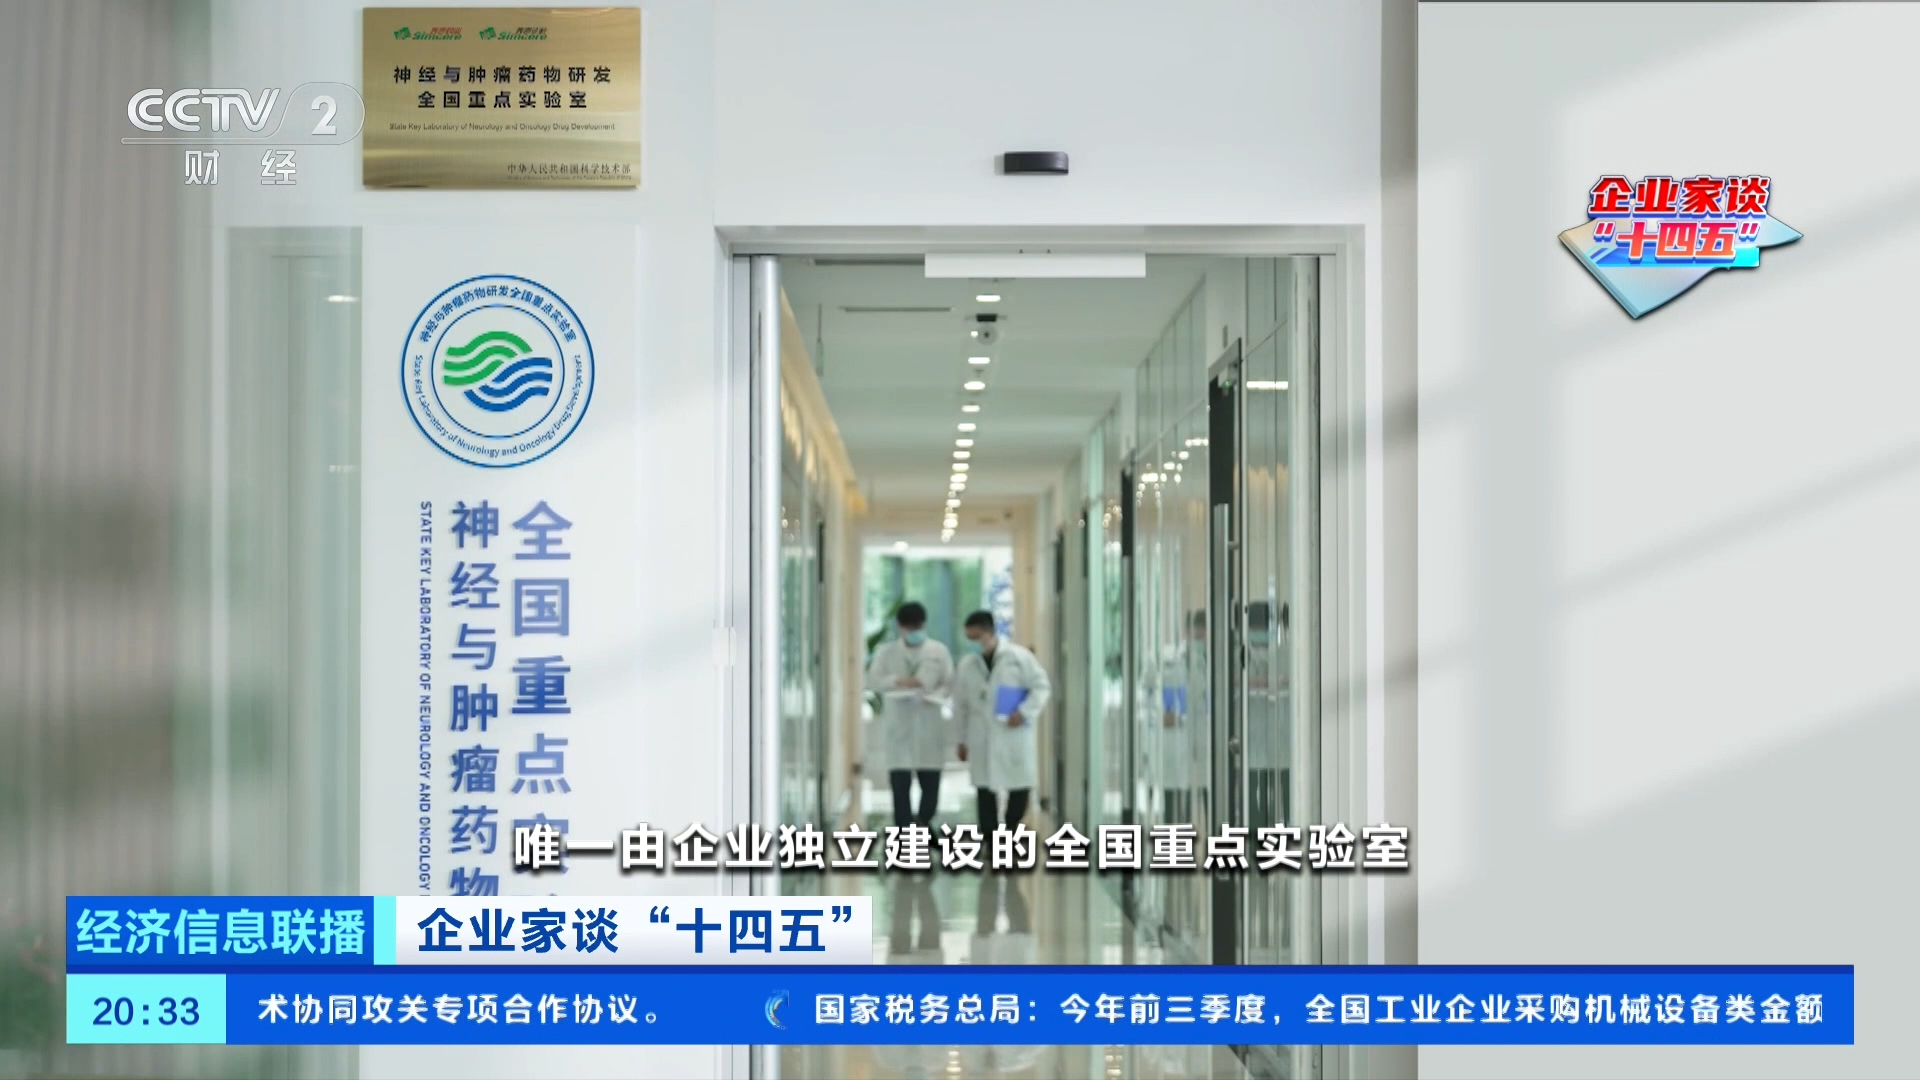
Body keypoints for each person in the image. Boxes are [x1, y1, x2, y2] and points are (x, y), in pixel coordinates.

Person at [954, 610, 1052, 835]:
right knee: (984, 790)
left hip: (1012, 730)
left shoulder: (1018, 657)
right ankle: (990, 839)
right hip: (980, 733)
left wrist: (1024, 712)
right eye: (968, 639)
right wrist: (961, 740)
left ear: (989, 633)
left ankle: (1010, 828)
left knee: (1020, 787)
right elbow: (961, 706)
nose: (973, 644)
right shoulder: (967, 665)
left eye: (976, 637)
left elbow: (1041, 687)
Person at [864, 601, 954, 828]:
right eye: (908, 628)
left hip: (929, 724)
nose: (913, 632)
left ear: (924, 625)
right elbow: (872, 680)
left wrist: (932, 695)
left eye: (916, 627)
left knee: (930, 790)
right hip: (899, 728)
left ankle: (922, 822)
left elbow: (949, 684)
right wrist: (898, 681)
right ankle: (905, 835)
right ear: (900, 627)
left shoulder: (938, 651)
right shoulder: (886, 652)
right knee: (900, 789)